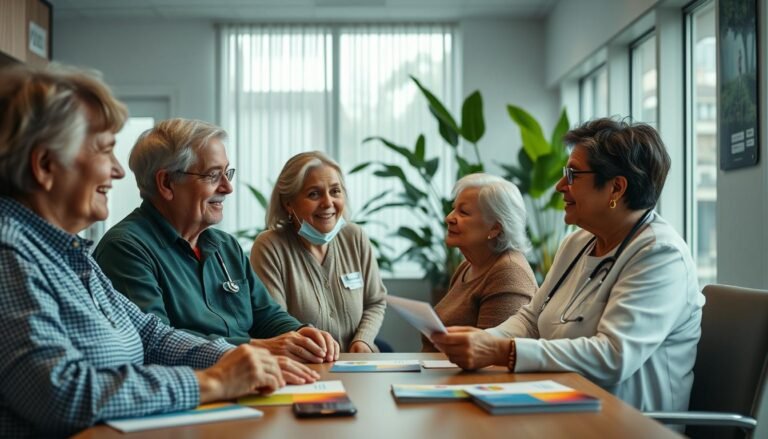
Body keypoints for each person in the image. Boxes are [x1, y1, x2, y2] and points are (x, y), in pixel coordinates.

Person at [0, 65, 287, 436]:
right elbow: (62, 393)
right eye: (104, 151)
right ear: (45, 165)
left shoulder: (68, 253)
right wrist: (212, 383)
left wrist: (234, 358)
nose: (118, 171)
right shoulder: (9, 254)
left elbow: (150, 334)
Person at [432, 118, 705, 413]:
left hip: (627, 423)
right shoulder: (577, 243)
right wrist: (484, 339)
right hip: (562, 404)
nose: (560, 185)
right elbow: (530, 319)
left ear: (616, 188)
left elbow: (613, 356)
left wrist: (502, 350)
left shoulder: (660, 254)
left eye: (573, 175)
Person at [93, 119, 338, 369]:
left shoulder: (226, 246)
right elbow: (155, 345)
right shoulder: (125, 249)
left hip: (249, 380)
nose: (228, 187)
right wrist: (255, 348)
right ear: (167, 183)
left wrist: (302, 334)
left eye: (227, 173)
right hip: (195, 391)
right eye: (212, 175)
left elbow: (266, 315)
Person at [250, 151, 387, 352]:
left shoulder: (355, 237)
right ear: (288, 203)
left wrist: (363, 340)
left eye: (335, 191)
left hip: (360, 362)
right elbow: (273, 322)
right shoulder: (270, 246)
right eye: (314, 194)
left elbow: (375, 301)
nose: (328, 203)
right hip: (304, 366)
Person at [422, 173, 536, 352]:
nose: (449, 218)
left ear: (495, 227)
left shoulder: (509, 273)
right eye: (454, 209)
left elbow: (491, 357)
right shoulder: (467, 266)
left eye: (463, 212)